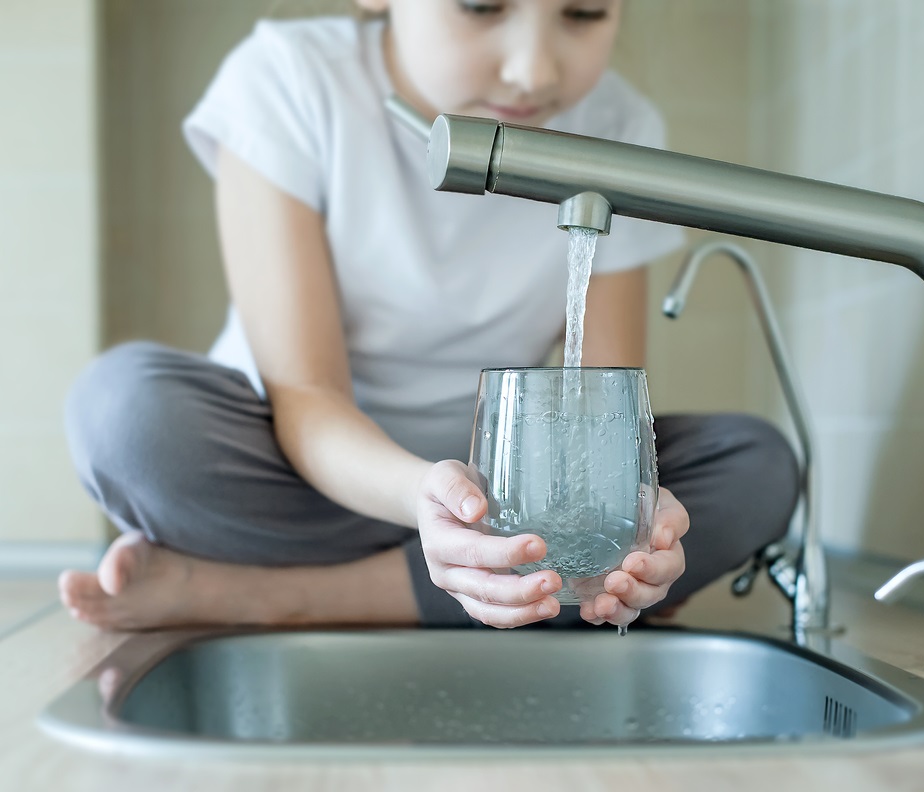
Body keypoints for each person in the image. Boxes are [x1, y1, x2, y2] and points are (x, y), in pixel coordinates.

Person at [58, 0, 799, 632]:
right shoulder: (288, 77)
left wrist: (632, 518)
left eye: (582, 12)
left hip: (499, 495)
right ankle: (455, 581)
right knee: (129, 416)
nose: (534, 70)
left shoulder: (620, 126)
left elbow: (599, 422)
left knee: (756, 466)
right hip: (294, 470)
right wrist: (425, 502)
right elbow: (306, 396)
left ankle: (259, 593)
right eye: (482, 5)